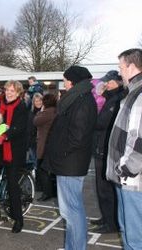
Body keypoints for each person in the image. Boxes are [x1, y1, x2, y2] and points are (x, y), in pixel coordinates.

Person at [43, 66, 97, 250]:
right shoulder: (77, 98)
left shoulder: (82, 101)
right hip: (69, 162)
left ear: (73, 80)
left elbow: (78, 136)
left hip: (70, 163)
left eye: (65, 79)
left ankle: (77, 247)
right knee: (70, 212)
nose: (63, 82)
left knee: (73, 211)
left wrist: (60, 153)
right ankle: (71, 246)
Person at [106, 48, 142, 250]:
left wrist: (125, 169)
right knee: (129, 233)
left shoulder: (139, 94)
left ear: (131, 66)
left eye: (121, 67)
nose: (119, 73)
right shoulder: (133, 92)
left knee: (135, 238)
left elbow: (139, 141)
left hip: (133, 181)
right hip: (128, 180)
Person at [91, 70, 128, 234]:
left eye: (108, 82)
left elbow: (102, 122)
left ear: (116, 82)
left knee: (106, 188)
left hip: (106, 148)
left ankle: (111, 223)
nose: (105, 84)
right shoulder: (109, 98)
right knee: (101, 187)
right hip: (100, 147)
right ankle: (106, 217)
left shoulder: (117, 99)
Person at [0, 80, 28, 233]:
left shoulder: (21, 107)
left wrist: (4, 136)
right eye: (7, 90)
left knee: (13, 185)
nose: (9, 93)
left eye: (12, 90)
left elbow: (18, 129)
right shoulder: (0, 106)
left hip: (14, 151)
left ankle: (18, 219)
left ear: (18, 92)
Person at [34, 93, 57, 201]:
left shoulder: (47, 112)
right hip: (52, 145)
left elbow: (36, 121)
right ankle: (52, 191)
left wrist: (40, 111)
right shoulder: (56, 111)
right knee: (51, 171)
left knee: (42, 170)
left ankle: (47, 193)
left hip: (43, 145)